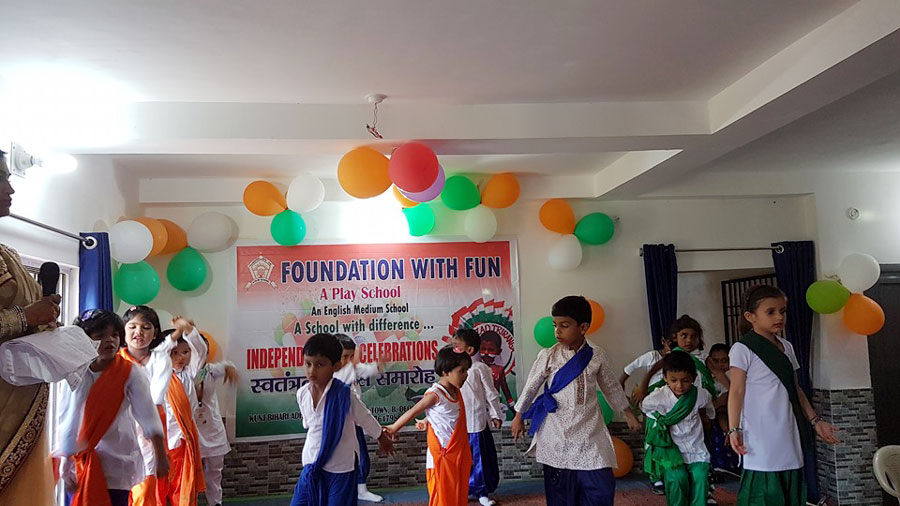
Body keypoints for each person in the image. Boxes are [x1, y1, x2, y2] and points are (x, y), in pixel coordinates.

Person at [511, 295, 641, 506]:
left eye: (564, 325)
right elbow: (531, 386)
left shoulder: (597, 356)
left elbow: (610, 386)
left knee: (601, 490)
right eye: (555, 325)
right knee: (561, 496)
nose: (557, 331)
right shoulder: (548, 355)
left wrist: (627, 413)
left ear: (583, 327)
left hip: (590, 432)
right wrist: (518, 416)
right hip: (556, 432)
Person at [728, 285, 840, 506]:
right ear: (750, 316)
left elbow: (795, 389)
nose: (779, 317)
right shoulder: (742, 349)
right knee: (764, 488)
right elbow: (736, 391)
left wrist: (815, 421)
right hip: (760, 432)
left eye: (782, 311)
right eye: (770, 312)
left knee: (791, 483)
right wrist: (734, 429)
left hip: (789, 428)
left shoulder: (787, 347)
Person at [56, 309, 169, 506]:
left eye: (115, 335)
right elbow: (68, 418)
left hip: (118, 460)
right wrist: (65, 464)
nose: (110, 340)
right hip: (81, 461)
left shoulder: (130, 372)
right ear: (85, 340)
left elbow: (149, 416)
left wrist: (161, 457)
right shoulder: (76, 372)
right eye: (100, 336)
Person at [0, 149, 60, 503]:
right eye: (1, 178)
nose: (11, 188)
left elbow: (32, 315)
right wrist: (26, 317)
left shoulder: (8, 253)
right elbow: (24, 316)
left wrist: (46, 316)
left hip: (21, 396)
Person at [291, 333, 394, 506]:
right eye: (308, 364)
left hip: (341, 468)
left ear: (336, 366)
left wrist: (383, 439)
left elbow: (365, 418)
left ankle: (362, 488)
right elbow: (308, 424)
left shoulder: (345, 395)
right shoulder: (302, 394)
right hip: (312, 464)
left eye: (320, 365)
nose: (312, 371)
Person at [388, 345, 473, 506]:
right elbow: (413, 411)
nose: (466, 375)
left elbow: (446, 414)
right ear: (446, 372)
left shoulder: (455, 391)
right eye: (462, 371)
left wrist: (427, 421)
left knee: (458, 494)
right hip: (442, 457)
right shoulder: (435, 394)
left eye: (467, 370)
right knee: (443, 498)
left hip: (458, 454)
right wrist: (394, 427)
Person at [641, 351, 716, 506]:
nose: (679, 386)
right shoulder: (658, 397)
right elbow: (645, 407)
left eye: (685, 380)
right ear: (665, 378)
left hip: (696, 448)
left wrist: (707, 419)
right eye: (673, 380)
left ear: (694, 378)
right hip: (671, 450)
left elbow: (710, 410)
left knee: (701, 477)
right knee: (676, 479)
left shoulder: (701, 395)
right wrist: (660, 420)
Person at [119, 305, 176, 506]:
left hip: (149, 430)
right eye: (132, 326)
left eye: (146, 327)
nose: (139, 332)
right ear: (123, 330)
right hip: (119, 432)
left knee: (145, 487)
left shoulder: (160, 359)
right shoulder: (116, 359)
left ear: (155, 332)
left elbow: (156, 396)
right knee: (120, 488)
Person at [451, 328, 504, 506]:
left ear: (470, 350)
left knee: (479, 458)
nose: (453, 349)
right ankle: (463, 490)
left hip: (476, 422)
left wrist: (496, 414)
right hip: (458, 424)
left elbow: (491, 393)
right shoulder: (453, 369)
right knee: (461, 459)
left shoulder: (480, 368)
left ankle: (481, 492)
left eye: (456, 346)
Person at [333, 334, 387, 503]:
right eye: (344, 356)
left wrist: (379, 364)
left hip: (355, 421)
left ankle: (361, 489)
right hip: (337, 424)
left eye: (351, 356)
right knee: (338, 459)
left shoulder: (352, 367)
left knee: (361, 455)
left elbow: (368, 370)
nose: (348, 361)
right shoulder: (332, 374)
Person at [163, 318, 208, 506]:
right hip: (166, 441)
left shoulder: (190, 373)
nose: (180, 357)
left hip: (185, 440)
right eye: (174, 352)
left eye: (185, 352)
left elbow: (201, 351)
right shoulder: (160, 376)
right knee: (162, 487)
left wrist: (189, 330)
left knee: (183, 487)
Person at [194, 333, 238, 506]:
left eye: (203, 350)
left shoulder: (211, 370)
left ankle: (215, 503)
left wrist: (230, 369)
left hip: (213, 430)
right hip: (192, 431)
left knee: (214, 473)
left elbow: (227, 366)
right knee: (190, 474)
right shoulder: (181, 372)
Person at [705, 344, 739, 476]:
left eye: (724, 360)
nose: (720, 365)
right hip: (714, 416)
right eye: (716, 361)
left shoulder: (733, 375)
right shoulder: (708, 378)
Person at [478, 331, 515, 411]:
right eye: (483, 349)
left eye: (490, 350)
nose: (486, 353)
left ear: (498, 351)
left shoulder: (499, 370)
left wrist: (515, 412)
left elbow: (506, 392)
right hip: (480, 408)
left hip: (495, 408)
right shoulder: (476, 369)